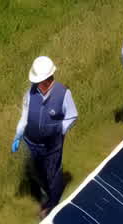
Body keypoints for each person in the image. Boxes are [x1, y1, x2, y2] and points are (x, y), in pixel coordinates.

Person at [12, 56, 78, 217]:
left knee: (53, 174)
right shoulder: (30, 93)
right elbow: (24, 117)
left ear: (48, 79)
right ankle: (47, 194)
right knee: (38, 172)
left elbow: (72, 115)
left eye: (39, 81)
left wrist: (58, 130)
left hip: (52, 146)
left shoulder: (63, 94)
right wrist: (18, 135)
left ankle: (52, 207)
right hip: (32, 143)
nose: (36, 84)